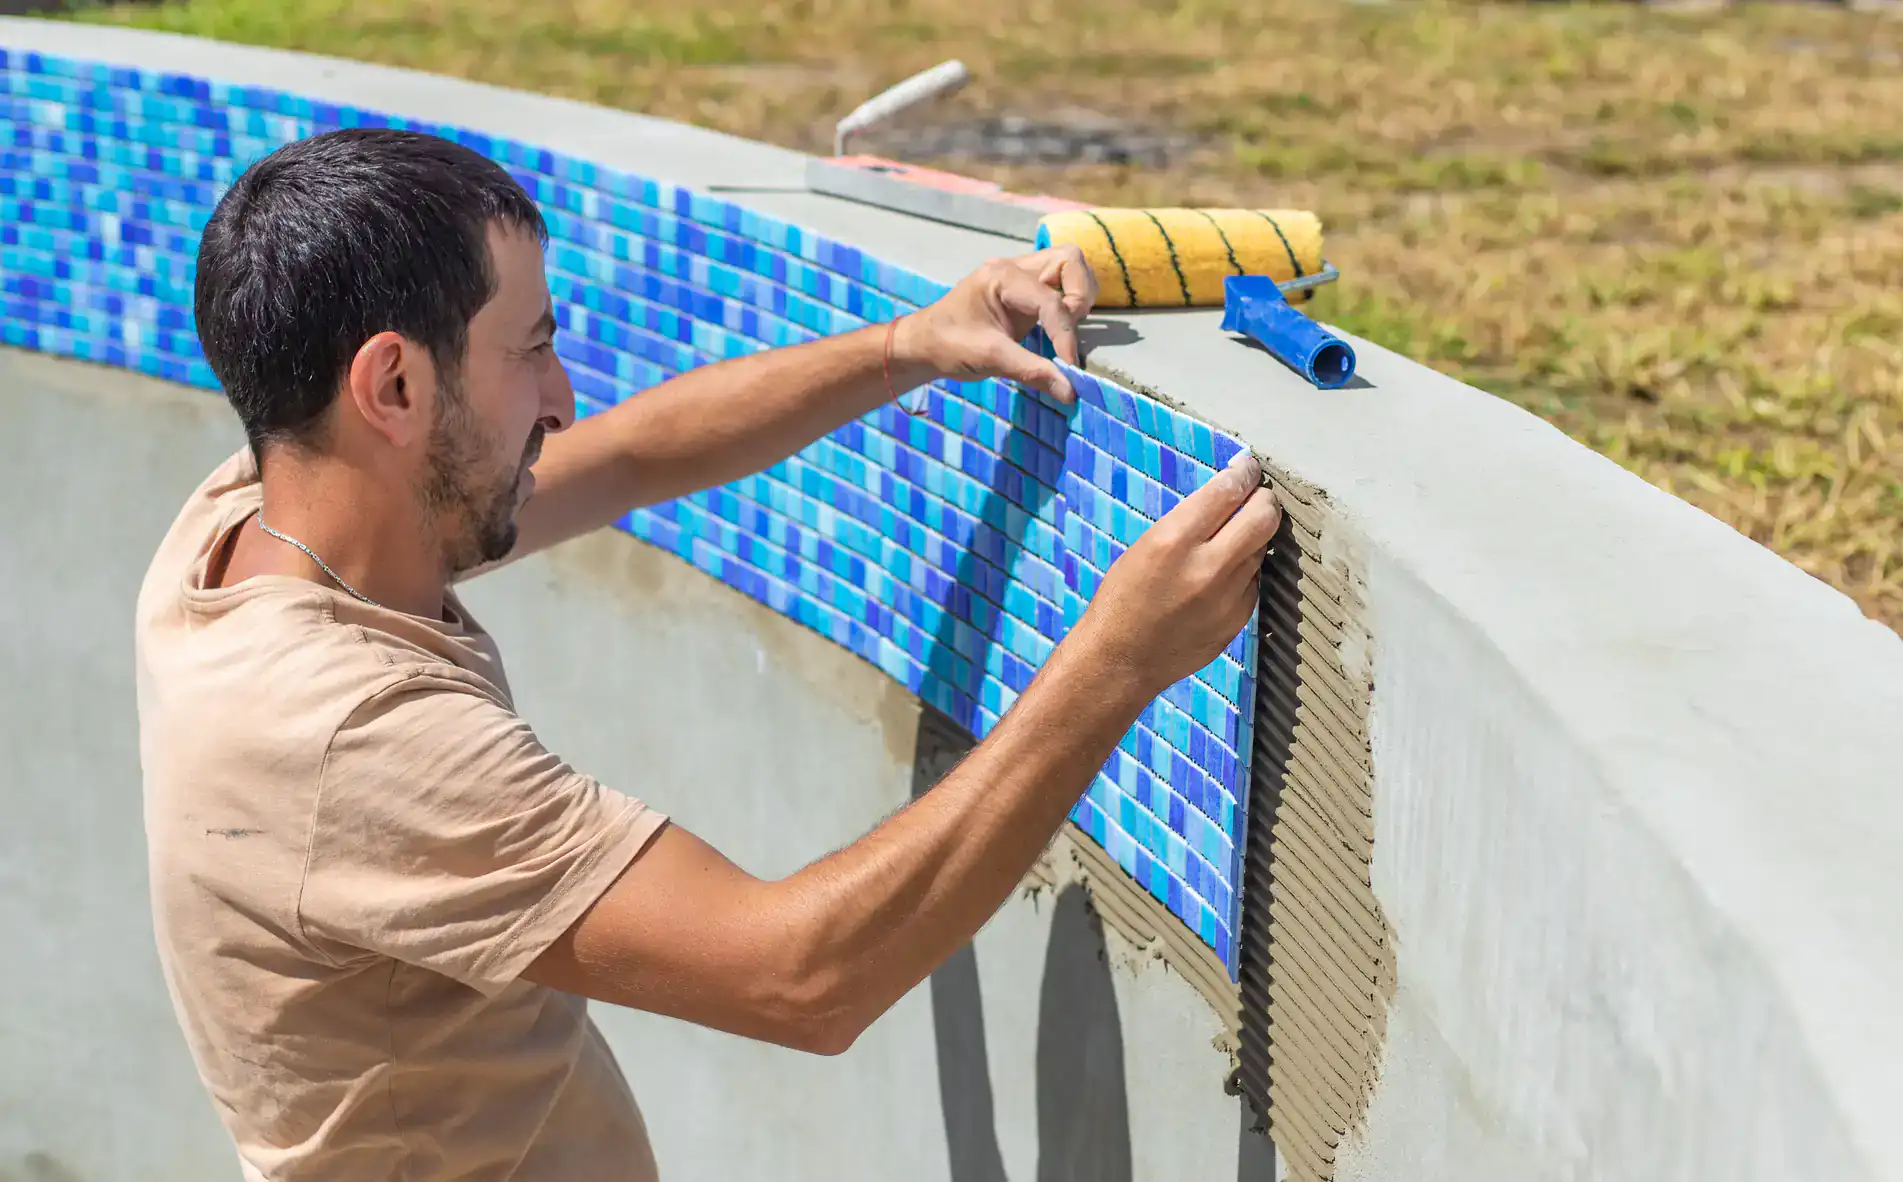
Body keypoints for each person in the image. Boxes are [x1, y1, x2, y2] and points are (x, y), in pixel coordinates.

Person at [135, 127, 1279, 1182]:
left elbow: (630, 458)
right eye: (529, 351)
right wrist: (1120, 658)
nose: (564, 396)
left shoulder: (258, 522)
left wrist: (908, 345)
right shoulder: (353, 743)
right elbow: (803, 977)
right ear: (392, 385)